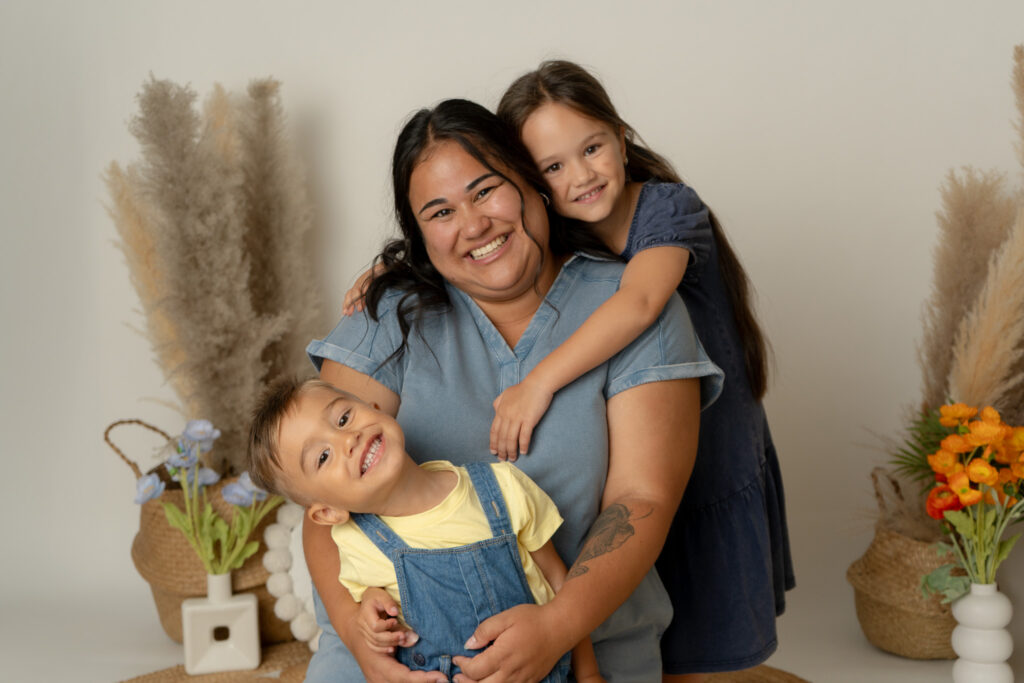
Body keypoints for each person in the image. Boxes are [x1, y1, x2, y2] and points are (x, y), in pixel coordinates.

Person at [304, 98, 723, 683]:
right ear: (420, 235)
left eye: (485, 191)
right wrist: (357, 635)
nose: (474, 225)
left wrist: (557, 627)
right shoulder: (387, 316)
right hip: (394, 661)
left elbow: (641, 499)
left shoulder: (634, 308)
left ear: (533, 185)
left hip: (589, 646)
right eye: (440, 212)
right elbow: (321, 501)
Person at [491, 60, 795, 681]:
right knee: (645, 626)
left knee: (697, 645)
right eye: (553, 167)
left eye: (592, 148)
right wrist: (393, 268)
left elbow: (640, 302)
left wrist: (537, 383)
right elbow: (478, 243)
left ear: (621, 138)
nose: (581, 176)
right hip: (636, 454)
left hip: (710, 454)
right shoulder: (562, 233)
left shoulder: (667, 209)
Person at [246, 378, 602, 682]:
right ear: (328, 512)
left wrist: (588, 676)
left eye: (343, 418)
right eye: (323, 457)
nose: (347, 439)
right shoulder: (355, 543)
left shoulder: (502, 489)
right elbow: (371, 606)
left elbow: (560, 582)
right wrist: (371, 614)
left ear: (376, 409)